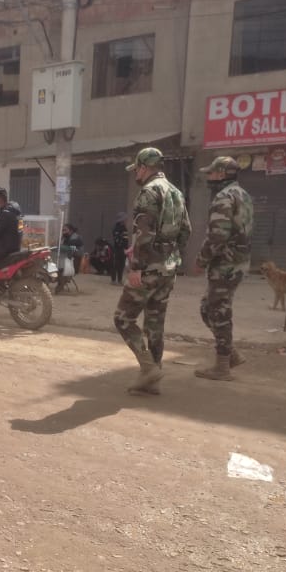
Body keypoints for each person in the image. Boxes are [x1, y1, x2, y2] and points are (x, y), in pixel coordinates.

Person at [113, 146, 191, 396]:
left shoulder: (147, 193)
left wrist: (137, 267)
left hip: (148, 268)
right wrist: (171, 255)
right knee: (155, 324)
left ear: (144, 168)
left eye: (136, 169)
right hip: (169, 267)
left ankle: (148, 368)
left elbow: (143, 234)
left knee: (123, 318)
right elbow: (186, 230)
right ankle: (152, 381)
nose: (135, 174)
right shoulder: (177, 193)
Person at [194, 156, 254, 381]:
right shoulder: (244, 195)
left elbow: (217, 236)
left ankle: (223, 366)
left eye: (211, 173)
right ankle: (231, 354)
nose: (208, 177)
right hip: (239, 262)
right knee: (208, 308)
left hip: (225, 264)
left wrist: (201, 260)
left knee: (218, 311)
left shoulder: (224, 197)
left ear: (220, 173)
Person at [56, 223, 85, 293]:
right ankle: (61, 283)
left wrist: (61, 243)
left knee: (62, 270)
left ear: (71, 230)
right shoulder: (66, 237)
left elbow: (68, 248)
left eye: (65, 230)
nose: (63, 232)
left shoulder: (75, 238)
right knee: (58, 269)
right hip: (67, 260)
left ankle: (61, 285)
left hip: (74, 261)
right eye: (63, 230)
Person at [111, 212, 129, 285]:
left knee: (121, 265)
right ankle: (114, 280)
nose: (126, 220)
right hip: (118, 249)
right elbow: (118, 240)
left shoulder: (124, 228)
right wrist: (122, 248)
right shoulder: (117, 228)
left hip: (123, 249)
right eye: (125, 219)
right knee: (116, 264)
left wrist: (126, 249)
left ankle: (120, 279)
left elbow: (125, 239)